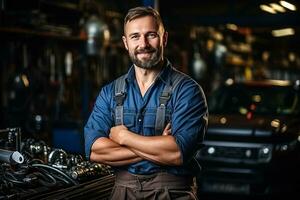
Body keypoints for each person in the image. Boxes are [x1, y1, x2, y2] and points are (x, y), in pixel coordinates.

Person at [84, 6, 208, 200]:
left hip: (172, 191)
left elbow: (177, 153)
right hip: (122, 190)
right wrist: (158, 145)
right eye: (135, 36)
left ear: (164, 38)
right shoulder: (110, 93)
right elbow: (95, 151)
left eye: (151, 35)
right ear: (125, 43)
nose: (143, 43)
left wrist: (123, 136)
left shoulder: (187, 91)